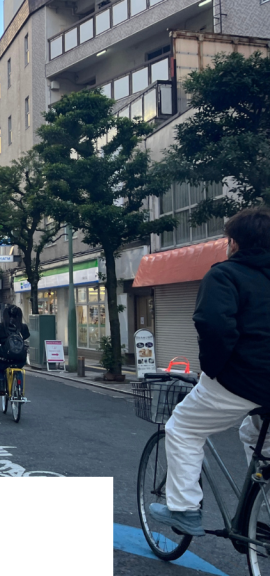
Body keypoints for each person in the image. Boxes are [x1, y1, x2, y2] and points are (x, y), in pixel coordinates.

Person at [149, 207, 270, 536]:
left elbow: (214, 326)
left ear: (234, 243)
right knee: (255, 436)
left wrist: (212, 370)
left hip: (244, 380)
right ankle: (260, 514)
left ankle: (185, 509)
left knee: (183, 427)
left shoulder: (226, 275)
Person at [0, 305, 30, 396]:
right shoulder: (23, 327)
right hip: (20, 359)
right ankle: (20, 391)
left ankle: (1, 383)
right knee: (18, 369)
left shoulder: (0, 327)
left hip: (4, 359)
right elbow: (26, 336)